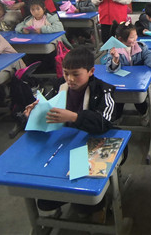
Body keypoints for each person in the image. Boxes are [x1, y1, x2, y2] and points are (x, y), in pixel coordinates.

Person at [23, 46, 116, 221]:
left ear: (91, 71)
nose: (70, 79)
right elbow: (46, 112)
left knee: (85, 197)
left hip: (94, 143)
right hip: (65, 142)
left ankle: (97, 206)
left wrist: (74, 117)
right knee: (44, 202)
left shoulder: (103, 90)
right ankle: (78, 202)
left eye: (76, 74)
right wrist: (32, 115)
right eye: (66, 73)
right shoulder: (59, 87)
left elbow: (105, 123)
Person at [106, 22, 151, 125]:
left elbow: (150, 57)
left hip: (137, 81)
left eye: (136, 35)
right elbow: (110, 68)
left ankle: (144, 114)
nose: (136, 38)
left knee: (139, 101)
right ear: (120, 39)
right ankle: (117, 116)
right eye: (132, 37)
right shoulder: (113, 50)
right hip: (120, 83)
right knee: (118, 101)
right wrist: (115, 59)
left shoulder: (140, 47)